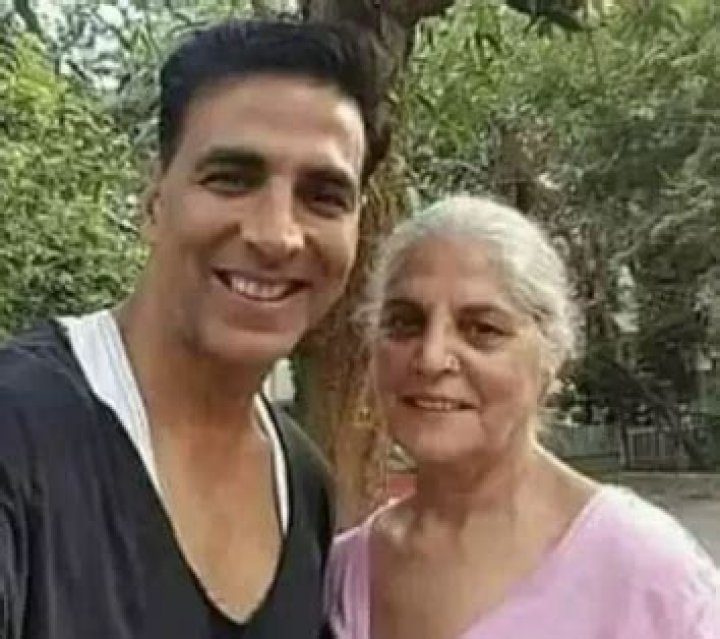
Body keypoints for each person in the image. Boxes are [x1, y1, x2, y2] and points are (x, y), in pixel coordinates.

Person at [0, 19, 388, 638]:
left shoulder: (302, 484)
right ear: (154, 198)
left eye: (323, 196)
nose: (277, 235)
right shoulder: (21, 431)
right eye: (232, 178)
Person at [325, 196, 720, 639]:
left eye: (482, 329)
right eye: (405, 323)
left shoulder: (644, 573)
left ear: (551, 355)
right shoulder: (341, 573)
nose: (431, 357)